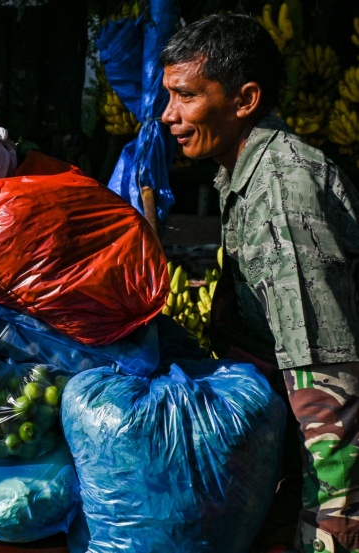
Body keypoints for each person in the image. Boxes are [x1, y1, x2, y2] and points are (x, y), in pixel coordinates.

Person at [160, 13, 359, 553]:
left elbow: (325, 374)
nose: (168, 116)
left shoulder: (283, 191)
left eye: (185, 97)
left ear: (245, 99)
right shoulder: (240, 172)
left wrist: (330, 527)